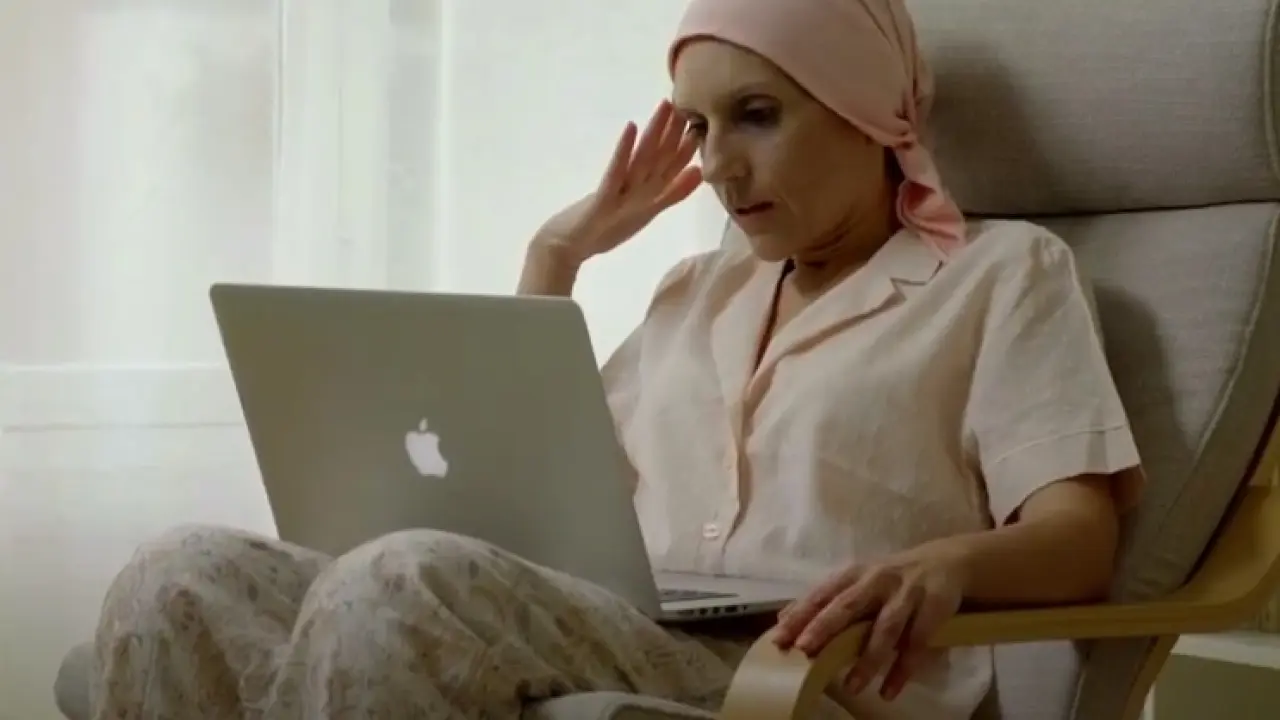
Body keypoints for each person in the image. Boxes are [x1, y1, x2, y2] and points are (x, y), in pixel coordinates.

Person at [90, 0, 1145, 718]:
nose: (717, 165)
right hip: (634, 628)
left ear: (870, 113)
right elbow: (523, 498)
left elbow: (1079, 539)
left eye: (756, 117)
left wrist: (944, 564)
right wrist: (555, 257)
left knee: (395, 584)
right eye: (698, 126)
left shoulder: (1002, 273)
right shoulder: (696, 291)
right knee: (178, 575)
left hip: (807, 673)